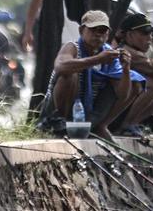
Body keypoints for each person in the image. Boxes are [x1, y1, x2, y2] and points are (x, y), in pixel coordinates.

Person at [41, 10, 136, 141]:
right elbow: (60, 67)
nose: (98, 34)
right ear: (81, 31)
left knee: (135, 80)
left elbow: (122, 95)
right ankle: (58, 122)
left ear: (108, 34)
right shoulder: (72, 47)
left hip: (87, 112)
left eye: (102, 30)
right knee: (70, 74)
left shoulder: (110, 54)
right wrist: (97, 59)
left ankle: (98, 126)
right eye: (93, 29)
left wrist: (126, 69)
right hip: (60, 109)